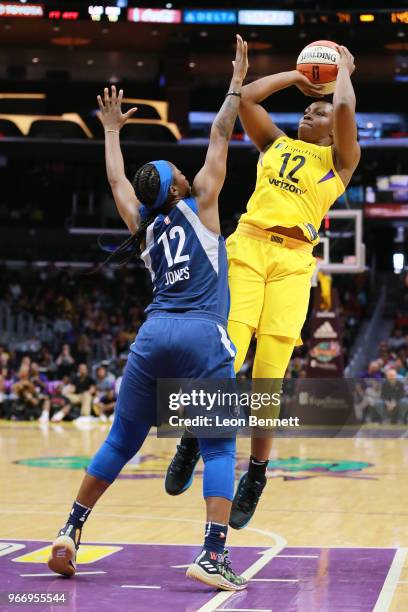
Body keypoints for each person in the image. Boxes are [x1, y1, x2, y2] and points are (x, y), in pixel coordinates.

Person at [48, 35, 249, 591]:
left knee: (120, 439)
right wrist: (235, 84)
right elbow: (219, 133)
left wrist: (111, 131)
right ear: (179, 186)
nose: (185, 171)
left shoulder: (143, 225)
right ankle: (211, 554)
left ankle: (69, 529)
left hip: (153, 334)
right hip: (203, 335)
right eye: (177, 170)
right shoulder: (204, 202)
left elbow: (117, 179)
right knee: (217, 446)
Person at [166, 45, 360, 529]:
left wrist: (342, 75)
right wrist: (296, 75)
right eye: (305, 109)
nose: (307, 113)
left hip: (294, 262)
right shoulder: (274, 144)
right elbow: (248, 100)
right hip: (248, 248)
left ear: (332, 128)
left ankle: (256, 473)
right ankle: (194, 435)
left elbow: (343, 107)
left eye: (317, 112)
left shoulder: (340, 160)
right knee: (225, 357)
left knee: (268, 377)